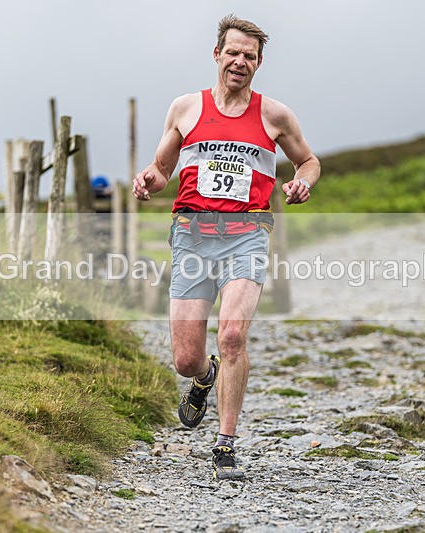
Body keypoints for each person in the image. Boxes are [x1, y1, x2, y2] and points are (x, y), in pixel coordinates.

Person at [132, 14, 320, 480]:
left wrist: (301, 182)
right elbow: (162, 168)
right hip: (193, 234)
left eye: (249, 56)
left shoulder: (274, 115)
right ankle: (203, 377)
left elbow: (309, 160)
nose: (240, 62)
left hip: (248, 234)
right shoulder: (185, 109)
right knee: (185, 358)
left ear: (259, 63)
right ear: (217, 55)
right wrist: (147, 181)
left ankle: (225, 444)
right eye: (232, 53)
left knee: (233, 334)